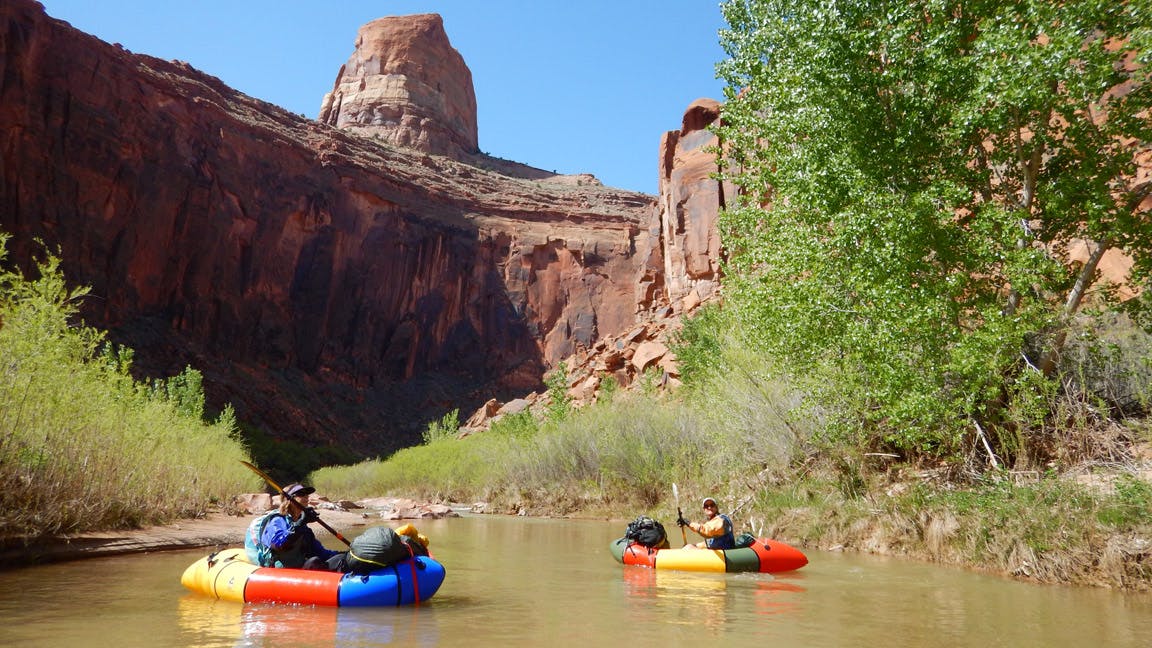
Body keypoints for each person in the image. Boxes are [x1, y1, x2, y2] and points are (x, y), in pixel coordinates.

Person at [257, 483, 342, 569]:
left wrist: (343, 555)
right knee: (314, 561)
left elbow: (321, 552)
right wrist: (299, 524)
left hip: (298, 571)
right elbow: (279, 545)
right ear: (289, 499)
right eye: (301, 494)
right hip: (280, 572)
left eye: (307, 494)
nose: (306, 497)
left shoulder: (304, 529)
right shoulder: (277, 521)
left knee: (339, 560)